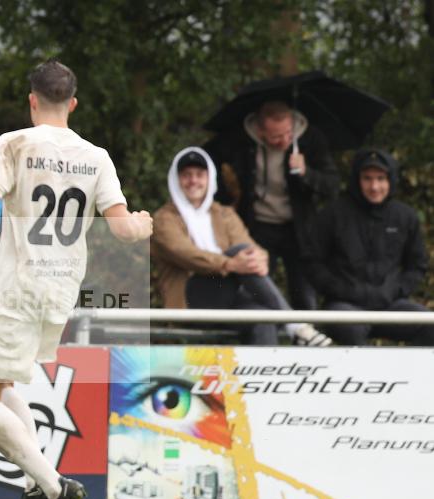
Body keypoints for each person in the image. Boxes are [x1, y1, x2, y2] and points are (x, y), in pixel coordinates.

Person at [0, 59, 153, 499]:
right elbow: (121, 229)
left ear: (32, 100)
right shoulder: (95, 155)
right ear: (73, 103)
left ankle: (57, 489)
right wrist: (141, 225)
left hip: (17, 287)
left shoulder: (14, 143)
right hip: (60, 290)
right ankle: (36, 487)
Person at [152, 147, 331, 346]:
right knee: (239, 255)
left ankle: (264, 375)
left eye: (199, 175)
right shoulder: (162, 219)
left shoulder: (223, 213)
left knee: (263, 318)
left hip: (229, 298)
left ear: (210, 178)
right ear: (175, 180)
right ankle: (295, 325)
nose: (193, 181)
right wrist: (229, 264)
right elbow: (184, 254)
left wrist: (259, 259)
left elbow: (249, 247)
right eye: (186, 175)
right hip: (190, 302)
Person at [207, 100, 339, 310]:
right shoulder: (239, 139)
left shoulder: (311, 138)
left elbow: (331, 186)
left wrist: (307, 173)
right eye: (276, 136)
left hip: (300, 229)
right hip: (257, 224)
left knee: (304, 292)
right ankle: (266, 337)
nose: (285, 140)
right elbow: (207, 158)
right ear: (260, 131)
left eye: (288, 132)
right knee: (259, 288)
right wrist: (224, 199)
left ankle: (306, 335)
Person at [309, 148, 434, 345]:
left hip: (391, 304)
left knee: (429, 324)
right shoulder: (332, 214)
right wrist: (339, 289)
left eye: (381, 178)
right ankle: (362, 376)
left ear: (390, 180)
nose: (374, 186)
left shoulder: (405, 216)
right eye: (367, 178)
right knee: (348, 328)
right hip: (345, 305)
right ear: (357, 180)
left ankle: (409, 376)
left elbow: (417, 264)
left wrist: (396, 289)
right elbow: (313, 262)